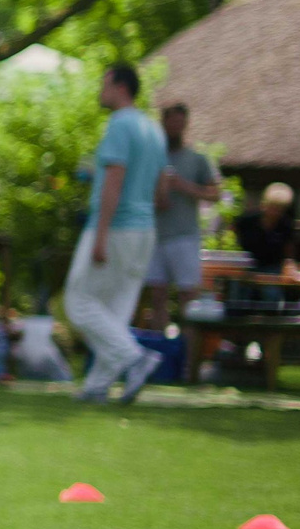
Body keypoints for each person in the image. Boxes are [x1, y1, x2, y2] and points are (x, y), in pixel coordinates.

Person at [63, 63, 168, 403]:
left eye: (104, 83)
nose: (100, 90)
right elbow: (161, 190)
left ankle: (135, 359)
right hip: (144, 230)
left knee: (78, 303)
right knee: (115, 312)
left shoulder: (120, 125)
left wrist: (102, 234)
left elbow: (114, 179)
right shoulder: (153, 129)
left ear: (119, 87)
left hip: (117, 227)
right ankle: (96, 386)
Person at [140, 102, 220, 328]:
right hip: (154, 236)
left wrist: (184, 187)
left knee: (188, 296)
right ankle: (159, 351)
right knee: (157, 296)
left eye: (179, 122)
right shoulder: (151, 158)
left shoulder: (197, 159)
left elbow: (215, 194)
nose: (175, 126)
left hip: (184, 237)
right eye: (171, 121)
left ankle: (188, 351)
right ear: (163, 123)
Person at [234, 181, 300, 274]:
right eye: (273, 207)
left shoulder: (286, 225)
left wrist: (290, 265)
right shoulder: (246, 221)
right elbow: (232, 235)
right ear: (264, 205)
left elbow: (289, 251)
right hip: (246, 265)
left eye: (280, 209)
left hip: (273, 268)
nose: (275, 212)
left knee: (271, 287)